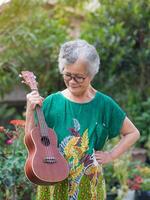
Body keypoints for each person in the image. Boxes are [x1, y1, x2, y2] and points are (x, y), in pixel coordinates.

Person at [25, 39, 140, 200]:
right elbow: (31, 140)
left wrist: (111, 155)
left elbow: (132, 133)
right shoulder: (51, 102)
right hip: (53, 178)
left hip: (89, 182)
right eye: (67, 75)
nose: (72, 81)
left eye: (79, 77)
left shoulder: (104, 104)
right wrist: (30, 111)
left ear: (91, 75)